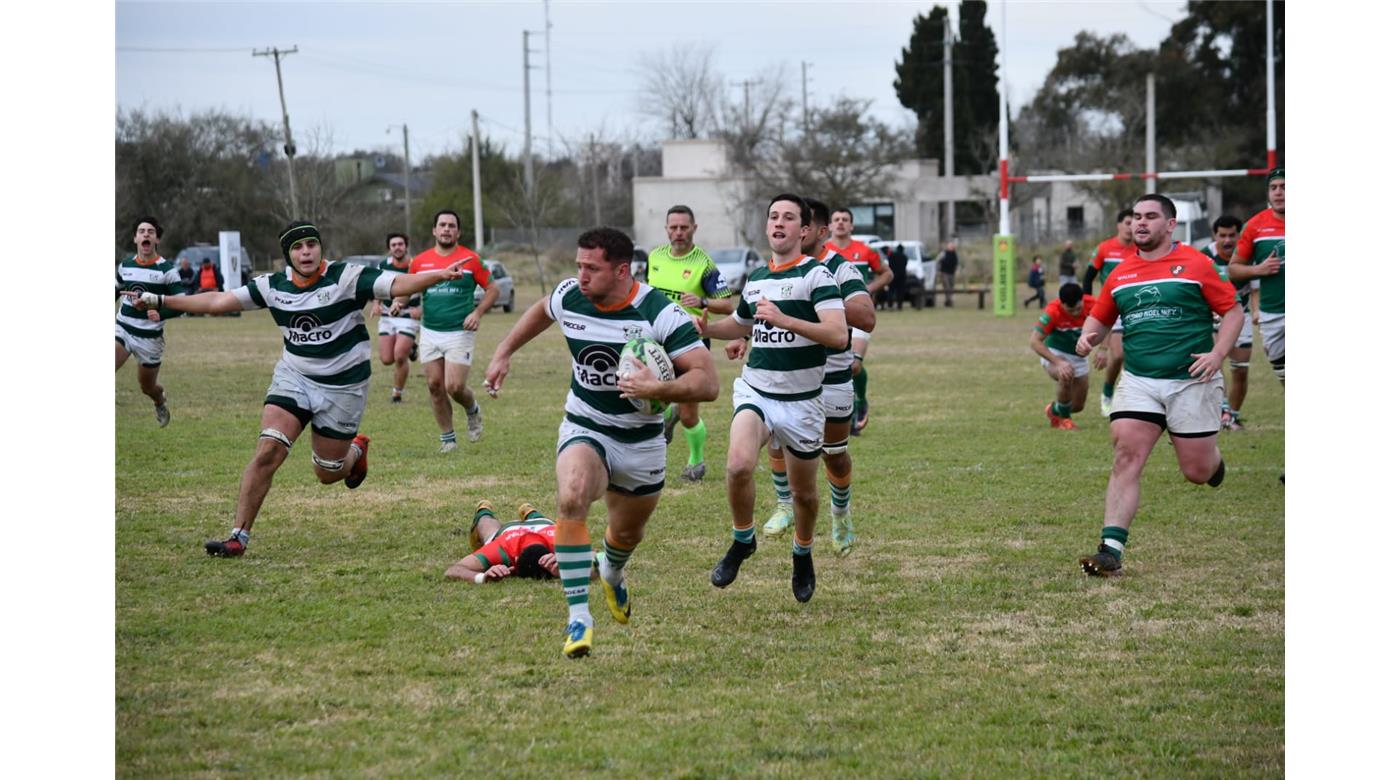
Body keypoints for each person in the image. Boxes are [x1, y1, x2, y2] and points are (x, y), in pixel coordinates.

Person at [126, 221, 471, 557]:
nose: (306, 252)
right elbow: (218, 301)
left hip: (343, 386)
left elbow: (399, 283)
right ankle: (238, 536)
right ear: (287, 255)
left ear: (320, 247)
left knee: (327, 472)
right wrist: (159, 301)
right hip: (295, 377)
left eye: (311, 245)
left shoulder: (347, 277)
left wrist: (438, 275)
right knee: (268, 451)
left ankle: (355, 454)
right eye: (297, 247)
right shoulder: (272, 286)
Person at [483, 227, 718, 659]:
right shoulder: (571, 294)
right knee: (571, 496)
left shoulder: (659, 314)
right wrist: (503, 351)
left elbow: (707, 382)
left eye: (592, 268)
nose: (581, 275)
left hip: (641, 444)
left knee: (627, 532)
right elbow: (542, 309)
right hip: (585, 424)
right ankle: (579, 617)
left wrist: (657, 390)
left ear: (622, 270)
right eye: (579, 266)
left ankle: (610, 570)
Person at [1074, 194, 1243, 576]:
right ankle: (1110, 551)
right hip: (1140, 381)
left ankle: (1213, 462)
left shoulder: (1196, 264)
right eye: (1135, 216)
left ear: (1170, 225)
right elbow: (1099, 320)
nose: (1140, 223)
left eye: (1150, 216)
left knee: (1196, 472)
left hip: (1191, 381)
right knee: (1126, 454)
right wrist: (1088, 338)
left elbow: (1232, 310)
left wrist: (1217, 354)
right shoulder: (1120, 274)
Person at [698, 194, 848, 603]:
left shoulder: (818, 277)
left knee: (804, 495)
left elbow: (838, 335)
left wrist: (784, 319)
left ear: (803, 230)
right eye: (773, 217)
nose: (778, 222)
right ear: (767, 227)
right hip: (757, 389)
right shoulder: (758, 277)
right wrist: (707, 328)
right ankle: (743, 539)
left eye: (788, 217)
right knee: (738, 464)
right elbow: (741, 324)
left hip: (802, 401)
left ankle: (802, 551)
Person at [752, 198, 875, 556]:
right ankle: (785, 505)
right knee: (775, 437)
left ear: (818, 232)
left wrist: (820, 299)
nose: (791, 228)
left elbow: (866, 318)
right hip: (786, 373)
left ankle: (841, 514)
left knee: (833, 453)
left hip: (831, 376)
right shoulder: (776, 266)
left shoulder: (839, 267)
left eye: (799, 223)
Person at [646, 205, 736, 482]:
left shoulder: (704, 264)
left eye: (684, 227)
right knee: (647, 403)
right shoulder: (655, 257)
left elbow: (728, 303)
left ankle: (695, 463)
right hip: (656, 341)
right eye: (673, 227)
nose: (679, 233)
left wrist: (703, 301)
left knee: (689, 415)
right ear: (666, 230)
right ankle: (645, 457)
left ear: (694, 229)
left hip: (691, 343)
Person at [402, 209, 497, 453]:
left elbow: (493, 289)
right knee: (434, 385)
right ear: (434, 230)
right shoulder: (420, 262)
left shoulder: (471, 260)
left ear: (458, 231)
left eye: (451, 225)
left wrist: (476, 313)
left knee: (453, 386)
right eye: (442, 225)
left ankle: (472, 408)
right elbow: (407, 288)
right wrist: (397, 303)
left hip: (459, 331)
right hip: (430, 331)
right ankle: (448, 440)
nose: (446, 229)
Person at [827, 208, 891, 434]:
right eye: (836, 219)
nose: (841, 223)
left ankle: (860, 401)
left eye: (845, 220)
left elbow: (887, 273)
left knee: (854, 364)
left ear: (852, 226)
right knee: (838, 364)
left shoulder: (865, 251)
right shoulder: (823, 251)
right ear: (829, 226)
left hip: (859, 314)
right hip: (831, 315)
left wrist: (869, 288)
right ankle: (841, 412)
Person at [115, 216, 182, 427]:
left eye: (150, 232)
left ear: (157, 240)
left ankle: (159, 401)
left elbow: (182, 304)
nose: (146, 234)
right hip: (123, 328)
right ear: (135, 238)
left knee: (147, 387)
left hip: (149, 339)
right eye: (141, 231)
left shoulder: (167, 271)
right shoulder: (124, 266)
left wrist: (160, 314)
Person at [1229, 168, 1284, 389]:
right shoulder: (1255, 225)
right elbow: (1233, 270)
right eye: (1274, 188)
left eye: (1284, 187)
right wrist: (1258, 270)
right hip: (1272, 313)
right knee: (1283, 375)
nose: (1279, 193)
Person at [1202, 215, 1255, 430]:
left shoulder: (1246, 255)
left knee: (1241, 369)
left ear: (1238, 235)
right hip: (1212, 316)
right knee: (1213, 366)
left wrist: (1258, 310)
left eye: (1232, 235)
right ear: (1215, 236)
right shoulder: (1205, 256)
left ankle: (1231, 416)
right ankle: (1220, 412)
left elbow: (1257, 286)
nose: (1227, 240)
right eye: (1222, 235)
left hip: (1241, 314)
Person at [1081, 208, 1136, 416]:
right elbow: (1088, 277)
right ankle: (1107, 391)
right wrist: (1088, 304)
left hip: (1135, 305)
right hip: (1113, 306)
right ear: (1119, 225)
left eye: (1135, 222)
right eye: (1128, 222)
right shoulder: (1105, 248)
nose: (1132, 226)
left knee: (1137, 354)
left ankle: (1133, 399)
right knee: (1119, 354)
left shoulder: (1140, 249)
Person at [1031, 283, 1104, 430]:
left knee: (1077, 405)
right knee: (1066, 372)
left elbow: (1107, 323)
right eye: (1071, 310)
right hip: (1055, 353)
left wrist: (1104, 348)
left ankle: (1055, 410)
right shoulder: (1052, 311)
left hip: (1079, 355)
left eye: (1078, 308)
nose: (1076, 313)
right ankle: (1064, 421)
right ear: (1061, 304)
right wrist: (1058, 362)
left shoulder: (1094, 304)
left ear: (1083, 300)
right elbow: (1034, 341)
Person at [445, 500, 561, 583]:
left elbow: (454, 570)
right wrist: (483, 577)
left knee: (491, 532)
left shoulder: (561, 544)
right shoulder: (501, 549)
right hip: (528, 528)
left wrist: (483, 577)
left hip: (543, 524)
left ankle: (530, 512)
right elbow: (452, 571)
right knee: (490, 533)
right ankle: (483, 512)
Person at [373, 232, 420, 403]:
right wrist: (376, 303)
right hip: (387, 315)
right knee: (386, 359)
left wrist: (421, 309)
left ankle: (397, 392)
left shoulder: (416, 265)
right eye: (393, 245)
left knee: (400, 356)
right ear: (389, 248)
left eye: (400, 244)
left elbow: (427, 288)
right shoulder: (383, 265)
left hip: (408, 316)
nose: (397, 247)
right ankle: (412, 347)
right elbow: (376, 286)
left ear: (406, 246)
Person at [936, 240, 959, 307]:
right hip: (944, 273)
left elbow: (957, 263)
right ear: (948, 247)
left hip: (952, 273)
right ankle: (949, 301)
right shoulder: (944, 253)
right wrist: (938, 270)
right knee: (947, 287)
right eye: (951, 246)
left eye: (953, 246)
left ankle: (947, 301)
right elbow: (937, 261)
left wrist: (957, 269)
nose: (952, 247)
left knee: (951, 287)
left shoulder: (955, 254)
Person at [887, 243, 909, 310]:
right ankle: (900, 305)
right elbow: (905, 265)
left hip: (893, 276)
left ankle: (890, 305)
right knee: (900, 291)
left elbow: (889, 264)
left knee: (891, 291)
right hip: (902, 277)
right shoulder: (905, 257)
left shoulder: (892, 255)